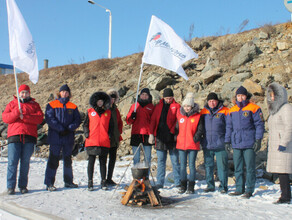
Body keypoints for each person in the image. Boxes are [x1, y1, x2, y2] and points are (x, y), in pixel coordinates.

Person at [2, 84, 44, 195]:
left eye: (26, 92)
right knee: (12, 162)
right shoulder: (12, 104)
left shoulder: (34, 105)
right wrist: (16, 112)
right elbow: (6, 118)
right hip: (14, 136)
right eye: (22, 92)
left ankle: (23, 186)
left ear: (29, 93)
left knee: (25, 163)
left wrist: (25, 117)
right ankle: (10, 186)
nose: (24, 94)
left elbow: (39, 118)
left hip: (29, 137)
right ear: (18, 93)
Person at [225, 86, 264, 199]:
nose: (240, 98)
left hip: (249, 142)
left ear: (246, 96)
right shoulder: (232, 110)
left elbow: (259, 125)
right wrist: (227, 141)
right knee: (238, 167)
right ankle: (239, 188)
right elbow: (229, 127)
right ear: (236, 97)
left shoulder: (254, 108)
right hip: (236, 142)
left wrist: (258, 139)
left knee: (250, 167)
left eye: (242, 95)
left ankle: (249, 189)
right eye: (238, 96)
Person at [44, 84, 81, 191]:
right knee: (53, 159)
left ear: (69, 94)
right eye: (63, 91)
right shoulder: (52, 105)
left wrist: (69, 128)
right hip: (56, 136)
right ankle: (49, 183)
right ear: (59, 93)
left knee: (68, 160)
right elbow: (50, 118)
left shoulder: (73, 106)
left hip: (68, 137)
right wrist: (60, 129)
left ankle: (68, 181)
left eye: (66, 92)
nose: (64, 93)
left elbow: (77, 120)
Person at [149, 88, 180, 189]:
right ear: (163, 97)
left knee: (175, 161)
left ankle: (178, 182)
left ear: (173, 97)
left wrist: (173, 131)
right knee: (161, 161)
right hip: (160, 138)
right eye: (167, 98)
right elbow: (153, 120)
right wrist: (151, 134)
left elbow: (178, 121)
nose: (168, 100)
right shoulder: (158, 106)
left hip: (172, 138)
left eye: (170, 98)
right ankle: (160, 182)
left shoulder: (177, 106)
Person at [266, 82, 292, 204]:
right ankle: (285, 194)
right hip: (276, 145)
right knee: (281, 172)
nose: (272, 98)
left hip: (283, 146)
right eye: (270, 95)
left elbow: (289, 127)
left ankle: (286, 196)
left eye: (274, 95)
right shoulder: (274, 110)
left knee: (284, 172)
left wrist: (284, 142)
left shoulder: (286, 108)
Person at [84, 91, 113, 191]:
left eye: (101, 101)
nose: (100, 103)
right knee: (91, 162)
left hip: (104, 141)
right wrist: (86, 133)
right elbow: (85, 125)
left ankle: (103, 181)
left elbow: (111, 126)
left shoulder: (108, 113)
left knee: (103, 162)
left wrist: (109, 135)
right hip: (92, 140)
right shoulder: (90, 112)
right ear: (95, 102)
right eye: (98, 101)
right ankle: (90, 182)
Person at [200, 92, 229, 194]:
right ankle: (210, 185)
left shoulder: (225, 111)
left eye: (214, 101)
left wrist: (227, 140)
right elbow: (200, 127)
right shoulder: (203, 112)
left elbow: (229, 126)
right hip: (207, 143)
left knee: (222, 166)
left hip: (220, 144)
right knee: (208, 166)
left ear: (217, 101)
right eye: (210, 101)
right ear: (207, 102)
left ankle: (223, 186)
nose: (212, 103)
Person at [176, 92, 204, 194]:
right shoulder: (180, 116)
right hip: (181, 145)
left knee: (191, 165)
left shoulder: (197, 116)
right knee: (182, 166)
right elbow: (176, 128)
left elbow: (200, 130)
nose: (187, 108)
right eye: (185, 106)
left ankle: (191, 187)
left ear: (192, 106)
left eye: (189, 106)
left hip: (192, 145)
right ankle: (183, 186)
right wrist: (176, 137)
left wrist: (195, 138)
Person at [126, 88, 154, 169]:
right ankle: (136, 176)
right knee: (136, 157)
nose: (144, 96)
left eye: (146, 95)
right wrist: (132, 117)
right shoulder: (134, 106)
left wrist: (152, 134)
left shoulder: (151, 107)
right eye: (143, 94)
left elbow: (153, 121)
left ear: (149, 96)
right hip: (136, 133)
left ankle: (146, 177)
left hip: (147, 135)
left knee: (147, 157)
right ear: (140, 95)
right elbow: (128, 121)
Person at [105, 89, 123, 186]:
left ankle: (109, 178)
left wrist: (119, 132)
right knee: (103, 160)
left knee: (112, 159)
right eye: (110, 98)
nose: (112, 100)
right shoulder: (104, 109)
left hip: (114, 138)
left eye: (113, 98)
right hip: (105, 138)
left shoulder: (116, 110)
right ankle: (103, 179)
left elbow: (120, 122)